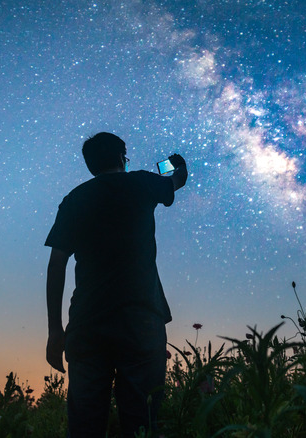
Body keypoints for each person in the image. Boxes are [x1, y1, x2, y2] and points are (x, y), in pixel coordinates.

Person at [44, 132, 188, 437]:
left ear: (90, 165)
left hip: (87, 324)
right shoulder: (143, 182)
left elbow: (57, 263)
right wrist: (177, 164)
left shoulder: (74, 199)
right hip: (141, 321)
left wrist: (55, 330)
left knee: (85, 426)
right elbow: (179, 180)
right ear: (123, 157)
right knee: (142, 424)